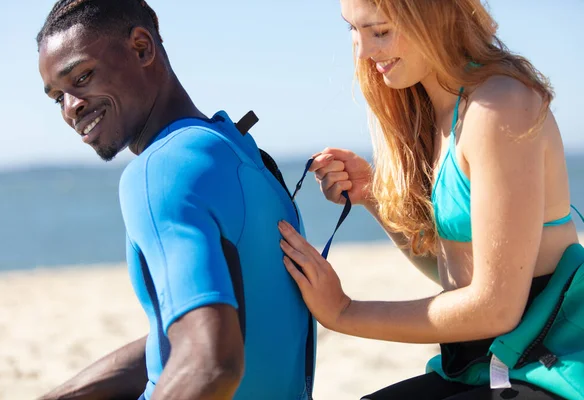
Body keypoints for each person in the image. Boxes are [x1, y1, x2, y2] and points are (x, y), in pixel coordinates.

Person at [277, 0, 584, 399]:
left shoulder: (498, 106)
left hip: (551, 364)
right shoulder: (435, 112)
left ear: (433, 16)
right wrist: (373, 197)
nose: (364, 52)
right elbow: (458, 275)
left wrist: (344, 311)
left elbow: (496, 307)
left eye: (381, 31)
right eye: (352, 29)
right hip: (481, 364)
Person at [36, 1, 315, 399]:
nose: (71, 108)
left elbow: (211, 364)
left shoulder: (158, 172)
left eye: (81, 77)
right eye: (56, 97)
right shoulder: (239, 151)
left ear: (142, 48)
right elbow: (217, 329)